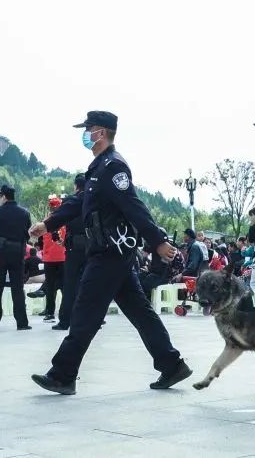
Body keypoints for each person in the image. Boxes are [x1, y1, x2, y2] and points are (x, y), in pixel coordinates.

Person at [29, 111, 190, 395]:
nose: (85, 134)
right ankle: (171, 364)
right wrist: (48, 223)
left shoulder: (113, 167)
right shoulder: (99, 167)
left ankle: (63, 374)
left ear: (101, 132)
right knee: (139, 311)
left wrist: (158, 240)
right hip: (111, 253)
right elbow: (78, 202)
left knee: (85, 312)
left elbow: (133, 206)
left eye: (88, 129)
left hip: (110, 253)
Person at [0, 184, 32, 331]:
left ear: (4, 196)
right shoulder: (24, 213)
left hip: (0, 251)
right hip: (18, 251)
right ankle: (22, 323)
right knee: (17, 288)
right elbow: (27, 233)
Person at [52, 175, 88, 331]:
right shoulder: (94, 201)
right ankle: (93, 319)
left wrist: (57, 237)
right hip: (92, 247)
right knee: (89, 284)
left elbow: (56, 220)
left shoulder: (69, 202)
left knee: (70, 286)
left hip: (73, 248)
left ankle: (65, 320)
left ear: (76, 186)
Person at [37, 196, 66, 322]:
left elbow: (39, 239)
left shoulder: (45, 222)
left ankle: (49, 313)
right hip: (63, 257)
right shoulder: (66, 220)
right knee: (66, 287)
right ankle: (66, 312)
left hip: (49, 258)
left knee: (50, 287)